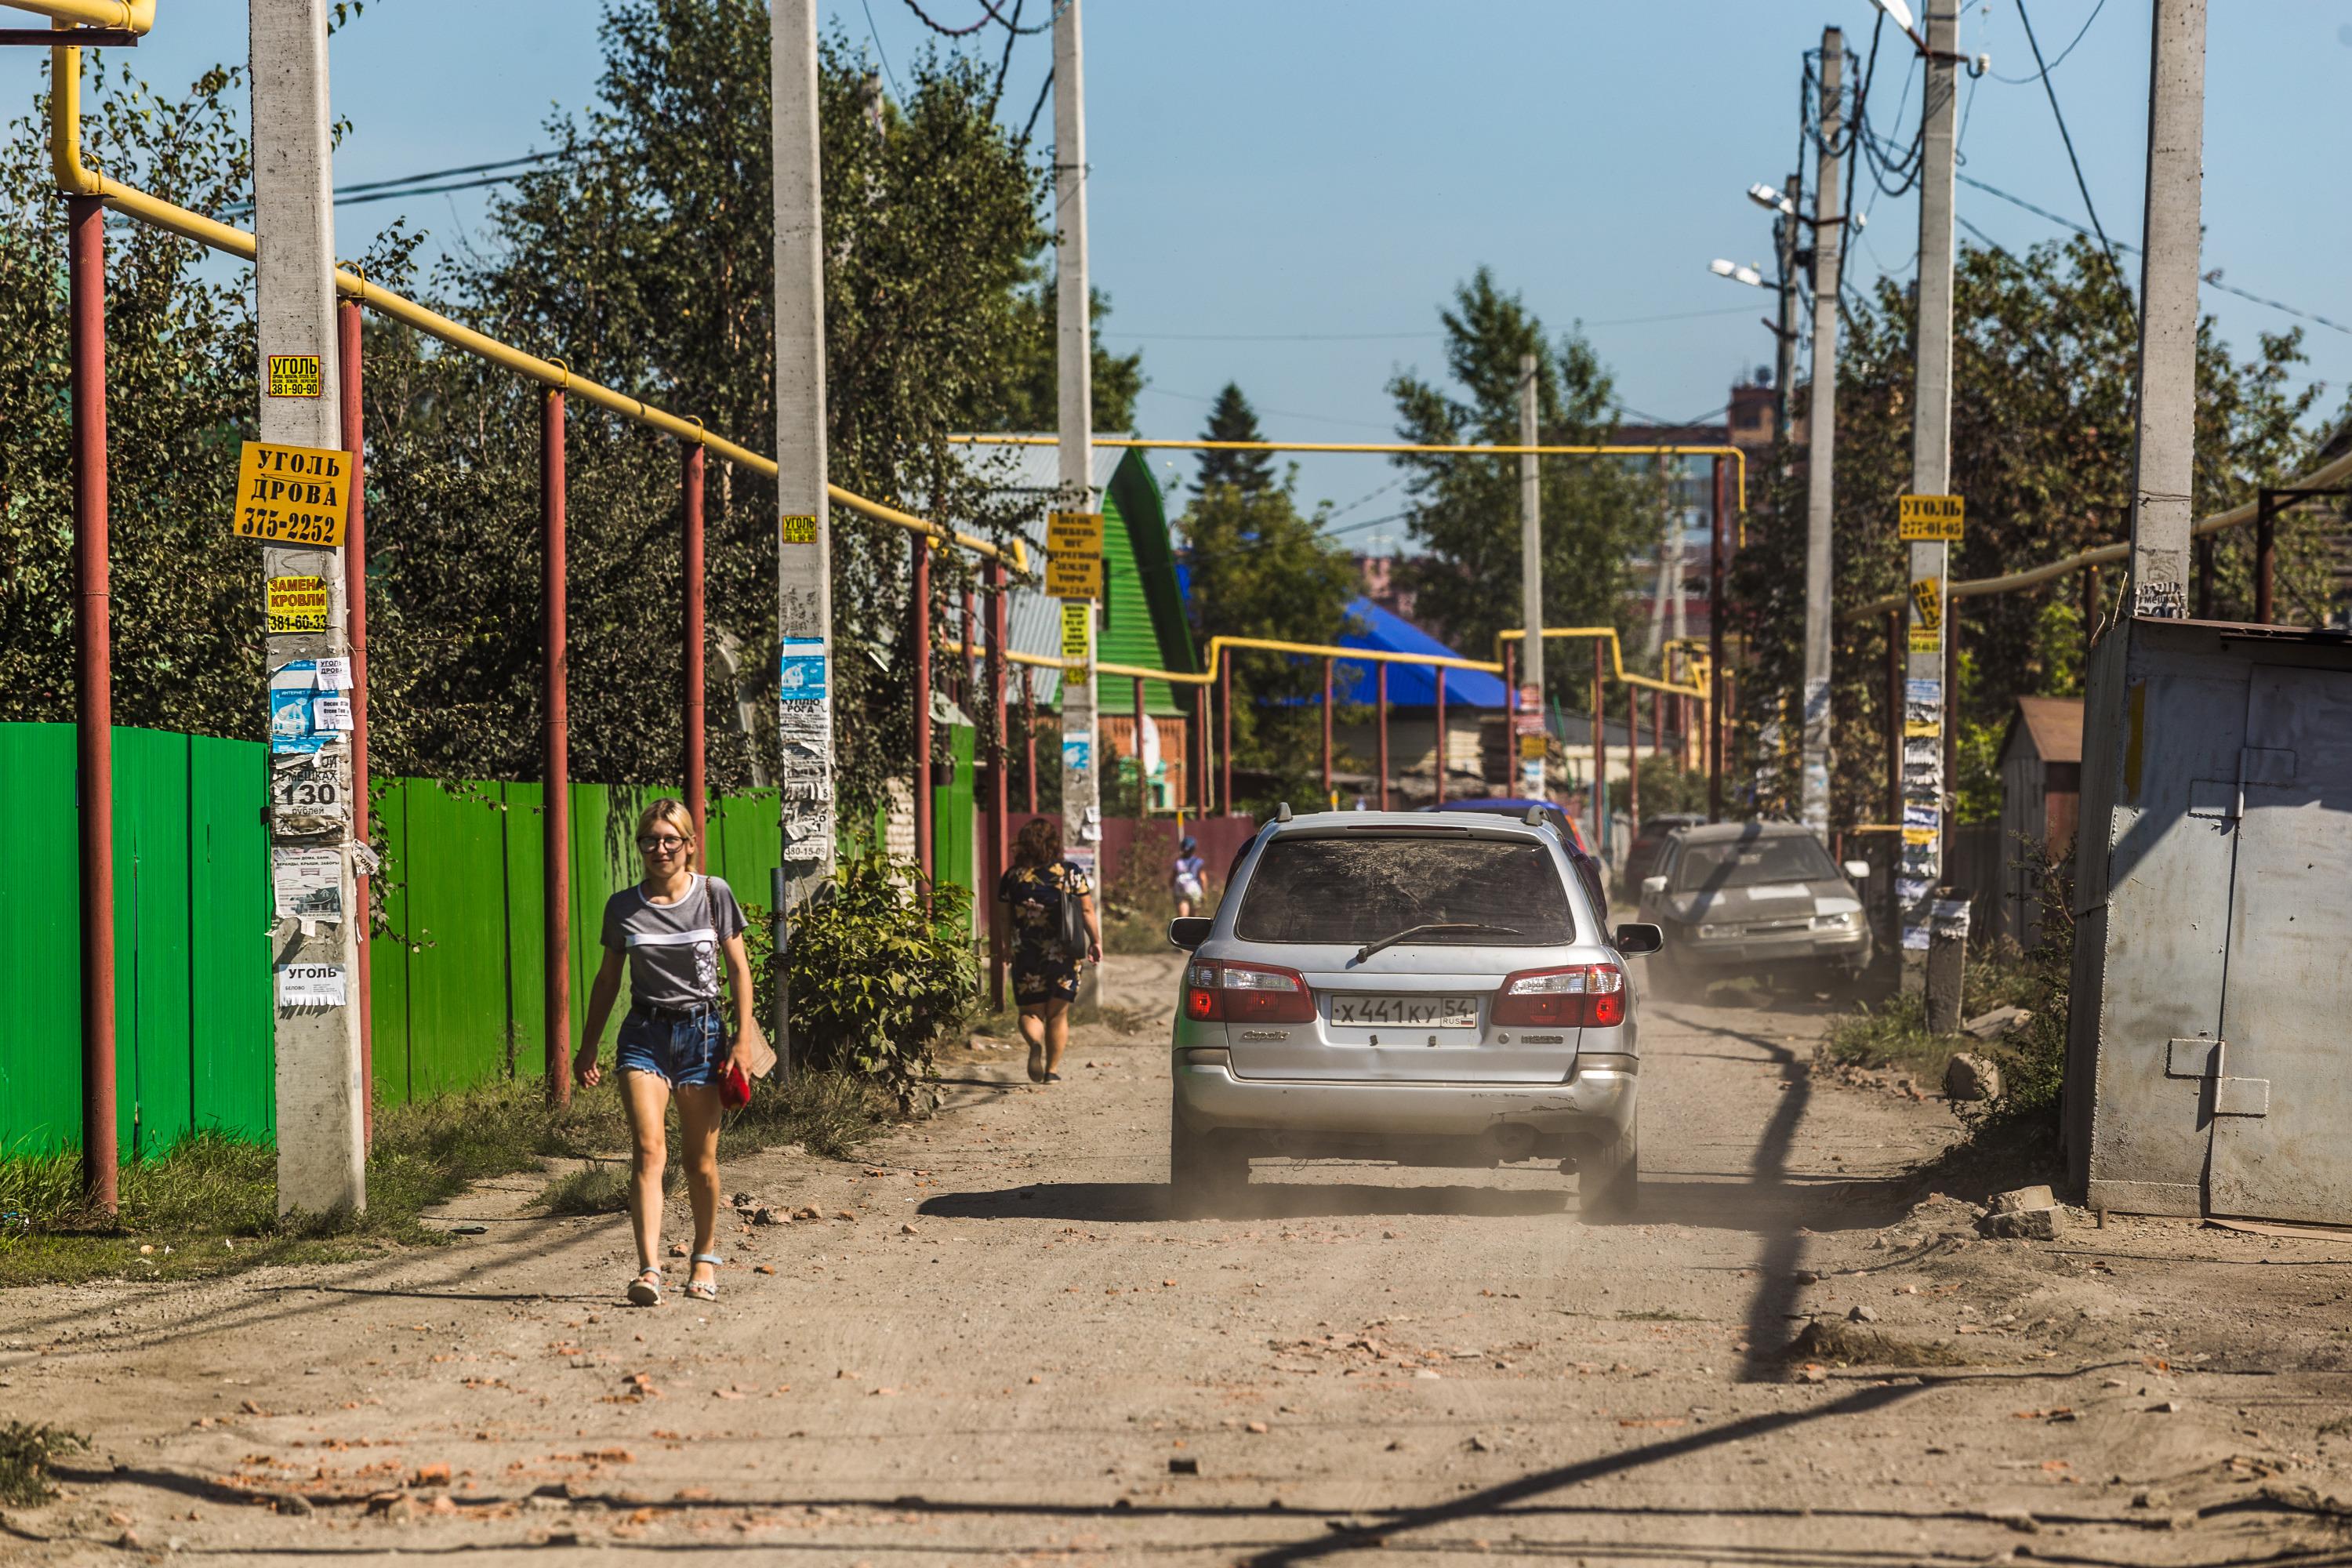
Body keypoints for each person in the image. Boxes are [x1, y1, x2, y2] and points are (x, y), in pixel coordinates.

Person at [574, 799, 756, 1308]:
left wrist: (742, 1038)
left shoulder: (714, 896)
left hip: (702, 1037)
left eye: (670, 839)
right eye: (650, 840)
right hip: (644, 1036)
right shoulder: (622, 906)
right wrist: (588, 1046)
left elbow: (739, 970)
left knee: (700, 1164)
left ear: (689, 845)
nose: (660, 849)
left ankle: (704, 1255)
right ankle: (648, 1269)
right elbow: (608, 979)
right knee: (650, 1150)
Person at [996, 816, 1102, 1084]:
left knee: (1030, 1012)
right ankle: (1051, 1071)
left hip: (1026, 951)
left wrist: (1007, 946)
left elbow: (1004, 917)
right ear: (1054, 844)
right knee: (1058, 1014)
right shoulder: (1071, 872)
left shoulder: (1012, 877)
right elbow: (1087, 909)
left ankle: (1035, 1043)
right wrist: (1095, 941)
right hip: (1064, 952)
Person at [1171, 834, 1207, 917]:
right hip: (1194, 890)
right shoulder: (1198, 862)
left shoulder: (1178, 862)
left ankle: (1183, 928)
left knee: (1183, 915)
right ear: (1194, 849)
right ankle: (1192, 929)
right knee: (1194, 916)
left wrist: (1171, 886)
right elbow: (1203, 878)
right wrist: (1204, 893)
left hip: (1180, 890)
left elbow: (1172, 878)